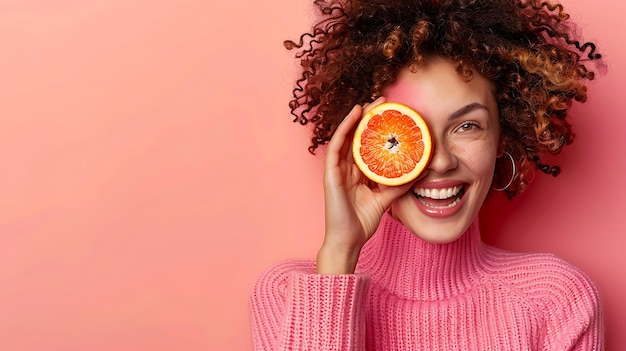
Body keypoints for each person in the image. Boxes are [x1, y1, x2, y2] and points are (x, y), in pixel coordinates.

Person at [250, 0, 605, 349]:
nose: (439, 162)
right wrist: (339, 258)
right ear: (366, 136)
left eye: (467, 126)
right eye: (408, 130)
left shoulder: (555, 302)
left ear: (503, 135)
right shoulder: (288, 295)